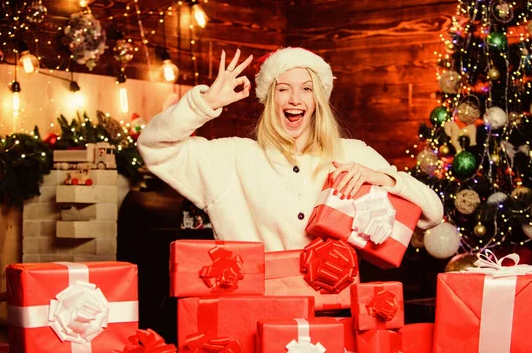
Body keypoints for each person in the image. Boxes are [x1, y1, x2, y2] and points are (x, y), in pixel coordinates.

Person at [138, 47, 444, 251]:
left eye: (306, 89)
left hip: (332, 315)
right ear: (270, 99)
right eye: (283, 89)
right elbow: (154, 147)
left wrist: (382, 179)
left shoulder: (352, 154)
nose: (295, 99)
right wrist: (205, 104)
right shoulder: (231, 159)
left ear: (318, 101)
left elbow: (432, 213)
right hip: (255, 316)